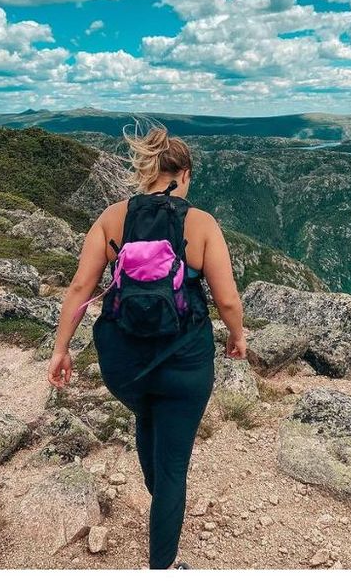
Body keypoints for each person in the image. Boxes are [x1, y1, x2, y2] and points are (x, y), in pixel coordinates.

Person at [47, 125, 246, 569]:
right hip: (185, 362)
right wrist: (238, 336)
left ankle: (164, 505)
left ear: (147, 171)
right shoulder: (201, 224)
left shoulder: (112, 218)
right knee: (174, 466)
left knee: (146, 415)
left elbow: (81, 287)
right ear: (184, 173)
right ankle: (165, 566)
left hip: (124, 363)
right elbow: (228, 298)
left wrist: (61, 349)